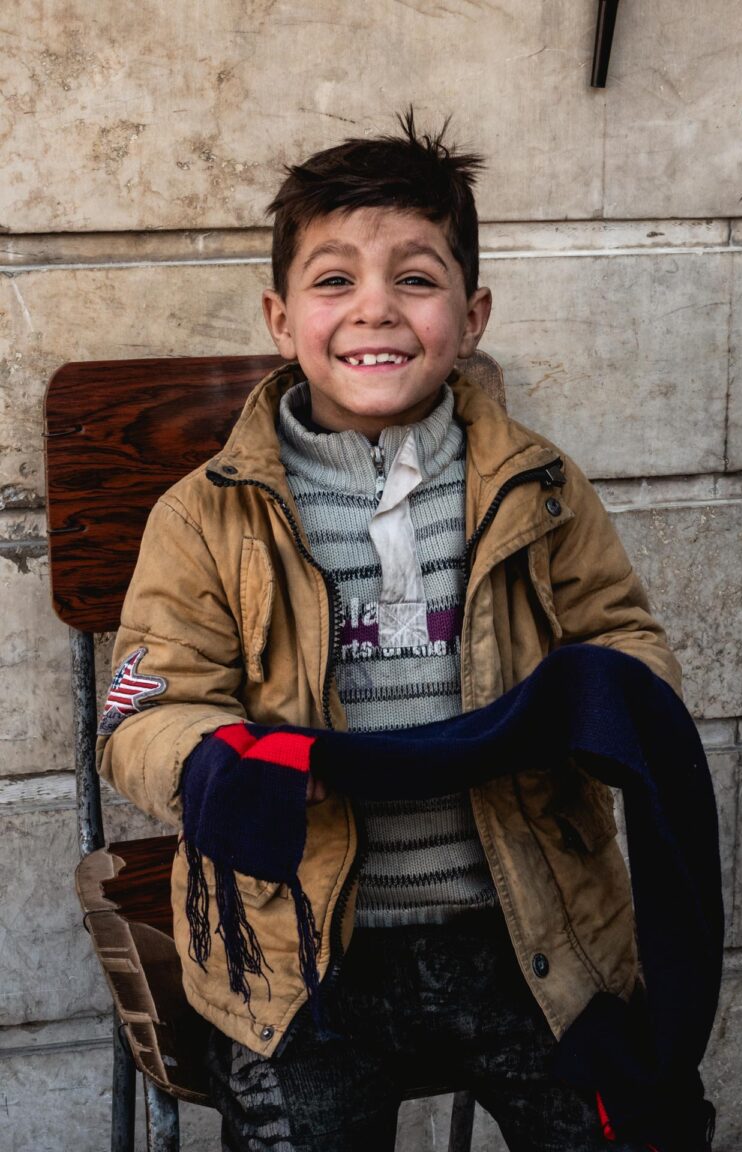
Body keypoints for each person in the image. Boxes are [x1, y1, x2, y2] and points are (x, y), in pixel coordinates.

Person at [98, 112, 691, 1151]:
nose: (376, 308)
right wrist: (216, 763)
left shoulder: (539, 488)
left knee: (620, 1127)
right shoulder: (206, 513)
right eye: (335, 281)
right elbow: (146, 709)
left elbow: (628, 641)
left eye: (416, 278)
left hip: (528, 934)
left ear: (472, 315)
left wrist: (605, 692)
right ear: (281, 318)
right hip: (305, 962)